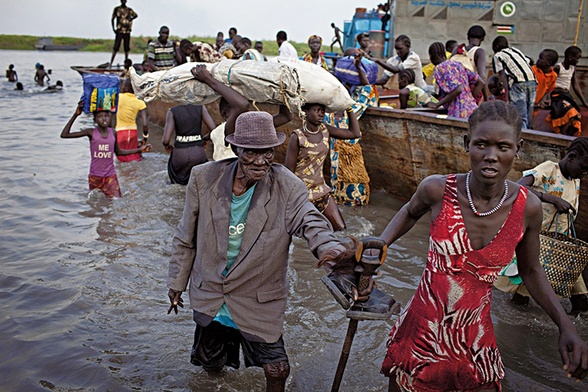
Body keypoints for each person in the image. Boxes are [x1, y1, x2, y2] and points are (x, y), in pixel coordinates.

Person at [377, 100, 588, 391]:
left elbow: (530, 269)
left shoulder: (528, 208)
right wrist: (380, 244)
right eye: (481, 145)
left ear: (518, 148)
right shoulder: (437, 189)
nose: (491, 156)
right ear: (467, 144)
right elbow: (410, 212)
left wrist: (565, 325)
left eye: (503, 147)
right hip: (421, 329)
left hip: (474, 337)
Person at [167, 110, 353, 392]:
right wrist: (176, 284)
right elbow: (185, 235)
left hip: (258, 295)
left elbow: (310, 219)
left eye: (267, 151)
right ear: (235, 148)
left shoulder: (287, 185)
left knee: (277, 367)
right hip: (213, 290)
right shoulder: (204, 178)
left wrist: (332, 249)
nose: (261, 160)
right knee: (211, 364)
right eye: (251, 152)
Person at [495, 137, 588, 312]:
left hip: (560, 243)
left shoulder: (574, 179)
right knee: (524, 287)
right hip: (538, 239)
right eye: (583, 167)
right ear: (571, 156)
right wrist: (550, 198)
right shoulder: (550, 169)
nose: (584, 173)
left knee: (575, 284)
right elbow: (519, 186)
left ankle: (575, 313)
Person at [285, 103, 360, 231]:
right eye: (316, 110)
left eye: (322, 111)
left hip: (321, 191)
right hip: (302, 194)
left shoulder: (325, 130)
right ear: (306, 112)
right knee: (305, 233)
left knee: (340, 229)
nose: (321, 114)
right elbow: (288, 172)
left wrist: (349, 108)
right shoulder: (297, 137)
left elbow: (354, 133)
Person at [60, 101, 151, 198]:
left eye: (106, 116)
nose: (103, 118)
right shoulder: (91, 132)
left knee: (117, 199)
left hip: (110, 176)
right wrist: (76, 115)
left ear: (110, 117)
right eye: (100, 117)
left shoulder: (113, 132)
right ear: (95, 120)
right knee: (95, 202)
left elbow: (119, 152)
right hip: (95, 176)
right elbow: (64, 135)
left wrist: (139, 150)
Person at [428, 41, 484, 119]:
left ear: (432, 57)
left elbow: (458, 89)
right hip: (473, 110)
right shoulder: (457, 64)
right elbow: (481, 82)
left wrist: (437, 105)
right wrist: (469, 100)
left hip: (458, 114)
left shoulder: (439, 69)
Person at [492, 35, 537, 128]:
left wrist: (507, 94)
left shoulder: (498, 55)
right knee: (529, 114)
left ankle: (522, 137)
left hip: (518, 83)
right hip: (532, 81)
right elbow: (530, 60)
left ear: (496, 47)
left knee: (520, 115)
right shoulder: (515, 50)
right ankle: (529, 134)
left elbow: (503, 74)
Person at [547, 46, 588, 136]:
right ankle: (560, 136)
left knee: (577, 116)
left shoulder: (573, 69)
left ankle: (567, 137)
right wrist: (547, 98)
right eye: (577, 58)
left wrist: (584, 102)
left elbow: (575, 86)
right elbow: (549, 83)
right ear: (570, 58)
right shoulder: (558, 68)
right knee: (570, 112)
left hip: (566, 96)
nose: (578, 61)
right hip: (557, 96)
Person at [115, 79, 148, 162]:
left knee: (121, 159)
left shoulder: (118, 97)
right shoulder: (140, 102)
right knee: (134, 156)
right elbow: (145, 124)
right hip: (133, 132)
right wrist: (145, 138)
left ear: (125, 88)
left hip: (120, 132)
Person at [109, 0, 138, 67]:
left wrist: (130, 19)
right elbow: (112, 19)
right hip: (119, 31)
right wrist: (113, 29)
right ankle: (111, 63)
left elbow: (135, 15)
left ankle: (126, 64)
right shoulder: (117, 9)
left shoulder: (129, 10)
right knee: (116, 47)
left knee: (126, 48)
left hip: (127, 31)